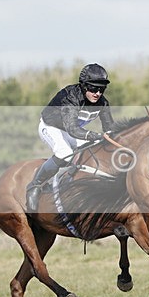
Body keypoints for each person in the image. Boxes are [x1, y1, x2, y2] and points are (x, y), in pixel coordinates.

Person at [26, 63, 115, 212]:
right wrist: (96, 136)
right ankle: (35, 185)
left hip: (72, 130)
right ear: (84, 86)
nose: (97, 93)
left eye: (101, 89)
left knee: (93, 151)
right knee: (64, 153)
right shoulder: (71, 97)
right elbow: (73, 129)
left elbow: (110, 128)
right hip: (51, 127)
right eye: (93, 88)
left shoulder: (103, 103)